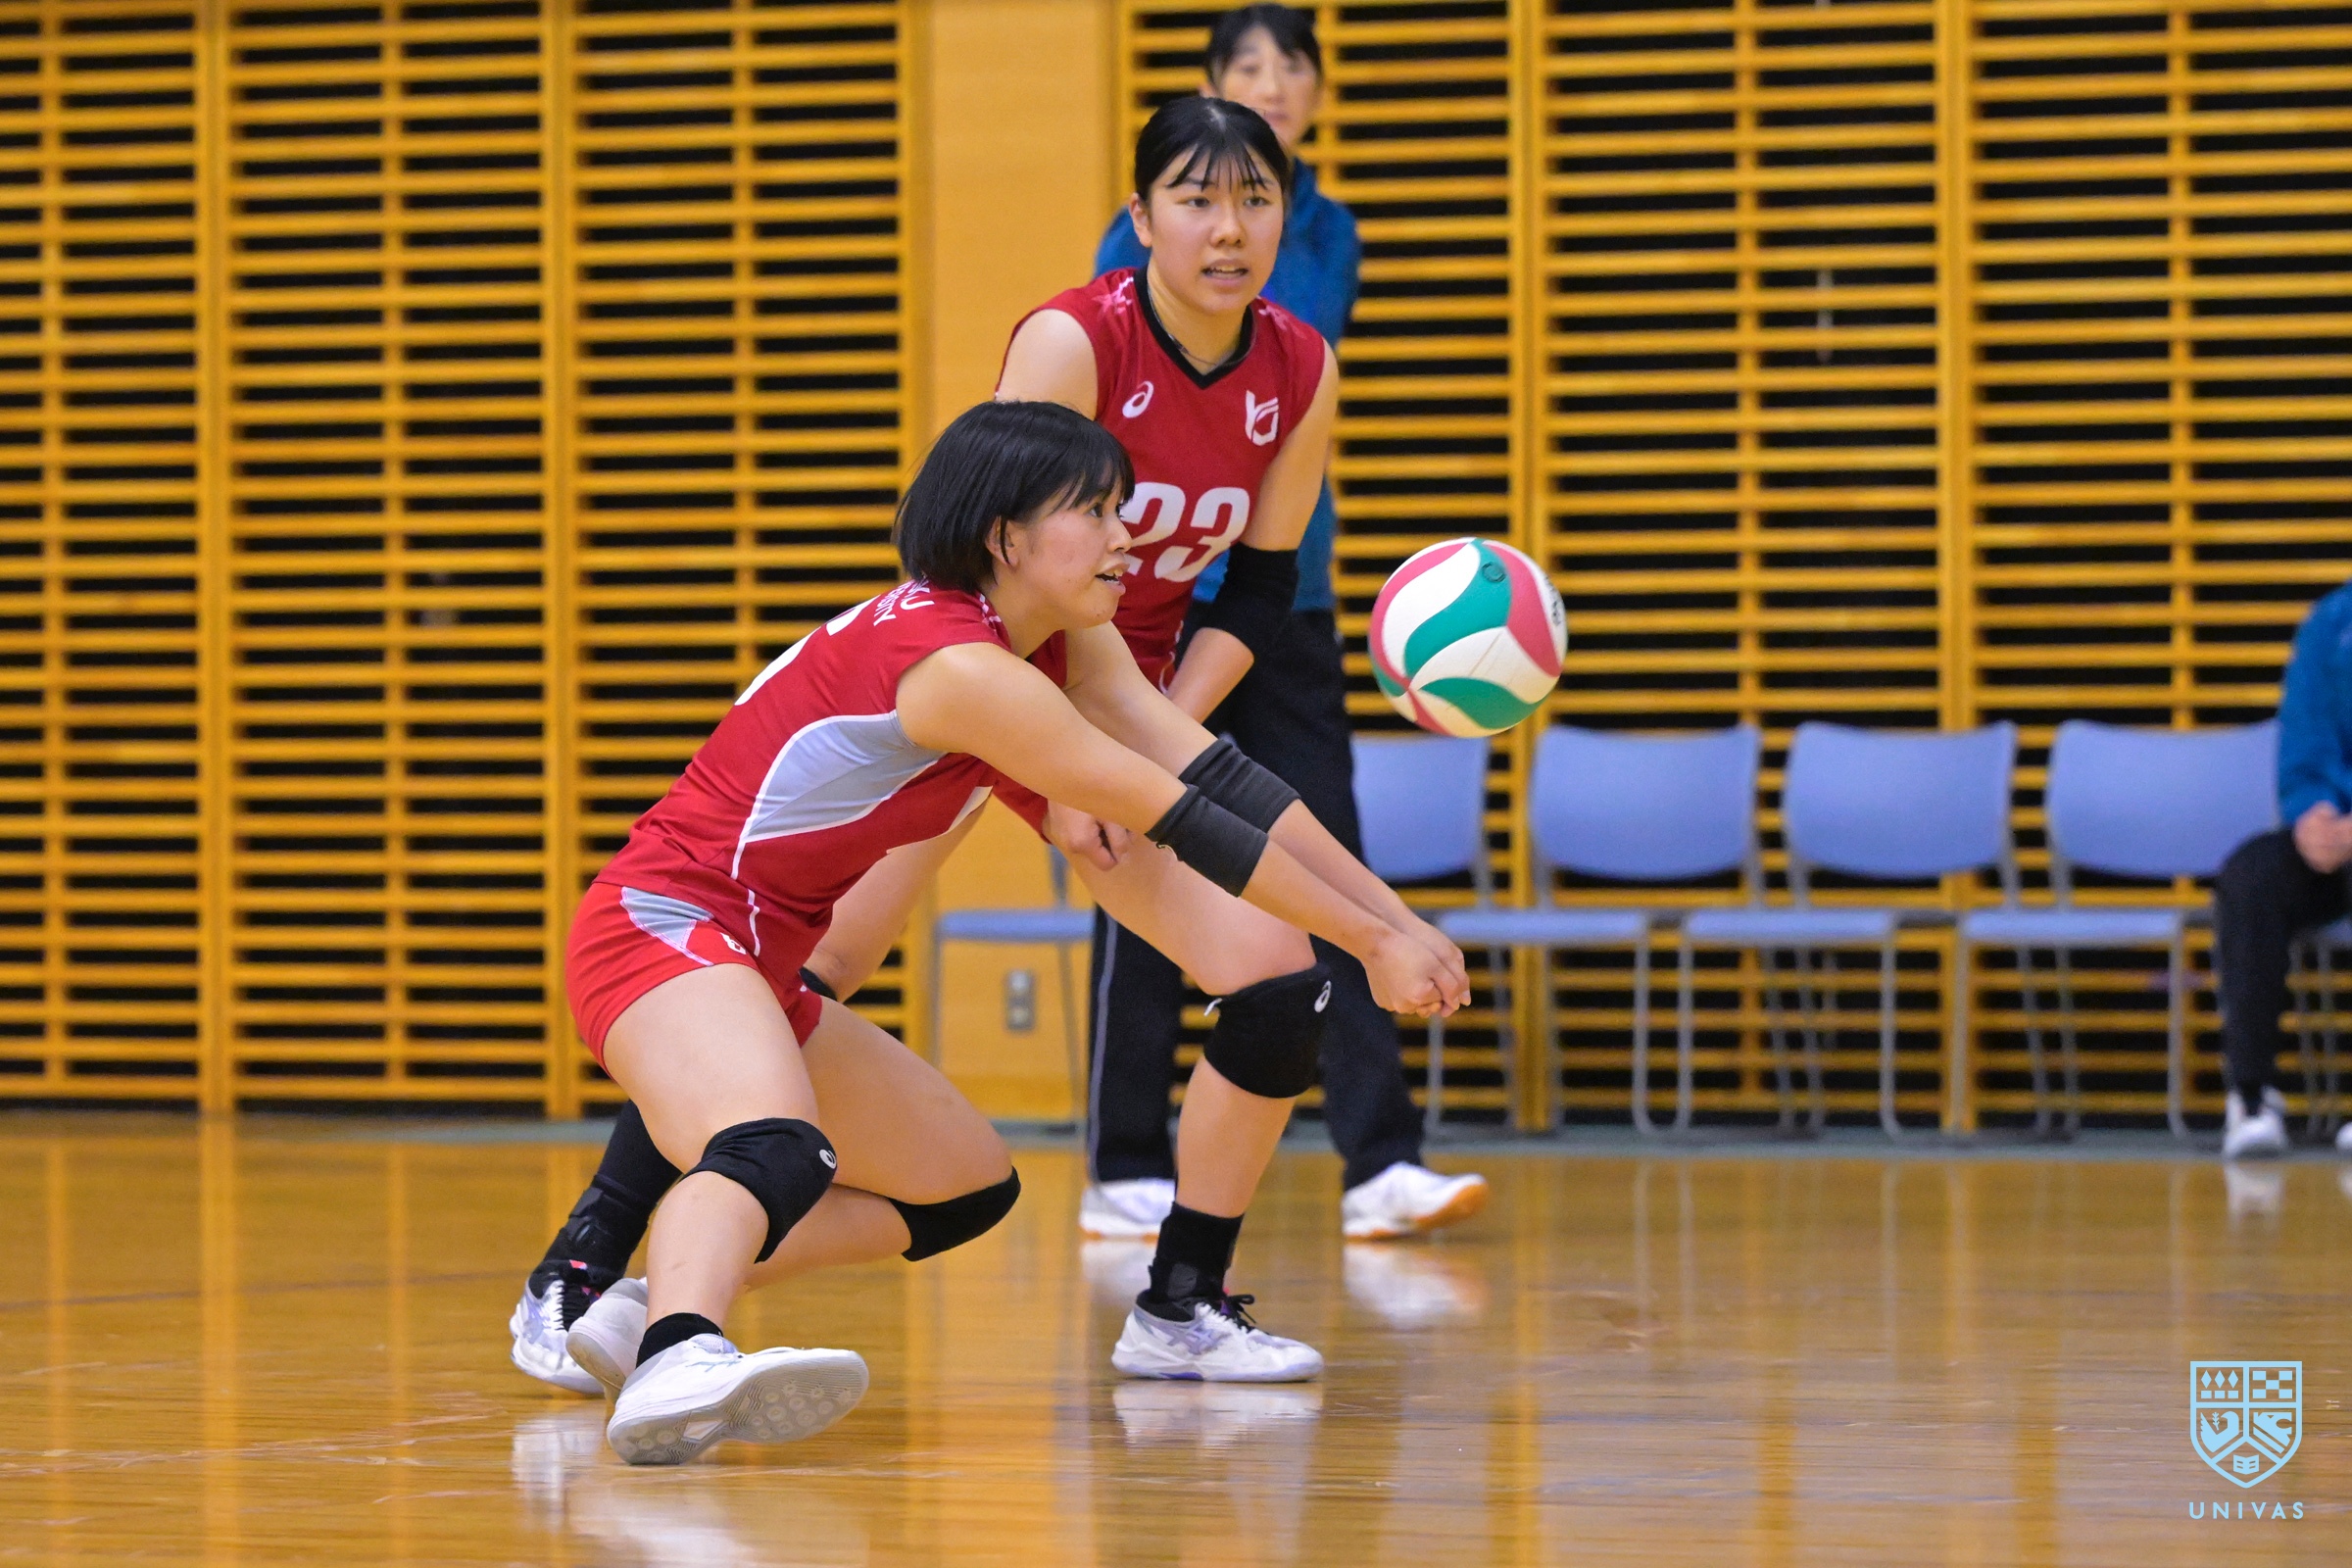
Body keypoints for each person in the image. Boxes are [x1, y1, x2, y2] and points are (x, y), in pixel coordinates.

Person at [541, 399, 1467, 1462]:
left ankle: (650, 1303)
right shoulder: (963, 669)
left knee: (964, 1187)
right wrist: (1370, 942)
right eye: (1096, 511)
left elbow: (1210, 768)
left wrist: (1393, 919)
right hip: (663, 926)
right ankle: (680, 1351)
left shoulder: (1046, 641)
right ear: (1005, 537)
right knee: (771, 1142)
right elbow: (1180, 816)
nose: (1129, 536)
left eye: (1123, 508)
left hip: (755, 962)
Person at [1076, 3, 1487, 1243]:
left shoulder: (1329, 239)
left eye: (1291, 66)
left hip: (1283, 594)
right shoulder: (1119, 272)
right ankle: (1124, 1160)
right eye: (1248, 66)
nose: (1273, 82)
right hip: (1152, 607)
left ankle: (1380, 1161)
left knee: (1324, 852)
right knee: (1143, 856)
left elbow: (1284, 377)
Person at [2215, 579, 2352, 1159]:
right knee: (2253, 876)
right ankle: (2252, 1098)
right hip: (2338, 836)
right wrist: (2312, 815)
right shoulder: (2333, 623)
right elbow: (2304, 740)